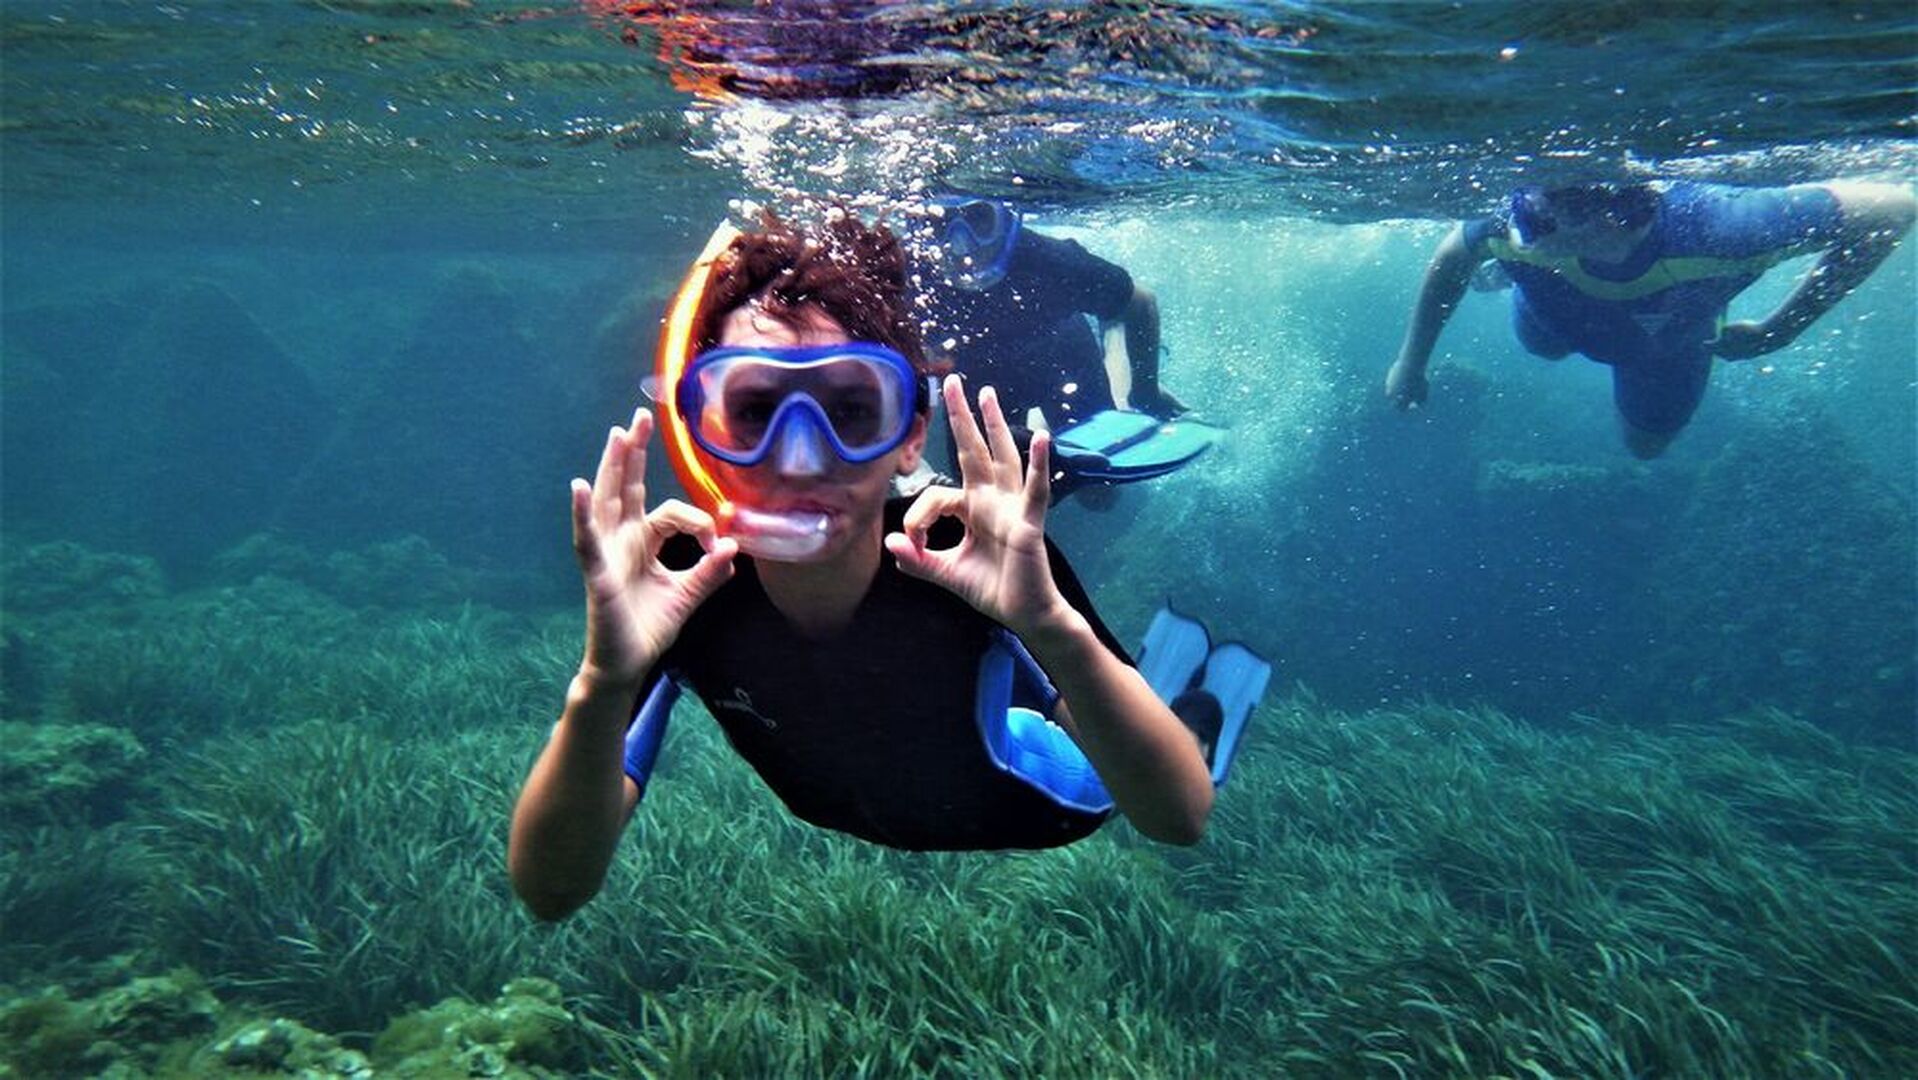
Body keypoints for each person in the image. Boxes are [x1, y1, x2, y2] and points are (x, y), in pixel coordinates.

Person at [508, 211, 1267, 922]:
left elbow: (1177, 816)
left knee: (1166, 743)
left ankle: (1196, 714)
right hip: (853, 804)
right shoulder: (679, 588)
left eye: (848, 410)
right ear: (703, 432)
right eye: (753, 408)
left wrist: (1050, 625)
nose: (799, 459)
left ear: (910, 439)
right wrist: (604, 681)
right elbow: (550, 892)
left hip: (1047, 804)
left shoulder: (963, 557)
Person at [1384, 179, 1914, 458]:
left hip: (1668, 343)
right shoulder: (1519, 223)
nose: (1523, 230)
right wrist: (1411, 360)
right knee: (1539, 340)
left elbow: (1894, 207)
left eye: (1540, 223)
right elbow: (1453, 251)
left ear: (1608, 220)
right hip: (1551, 311)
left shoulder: (1719, 228)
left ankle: (1506, 273)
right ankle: (1502, 275)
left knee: (1645, 447)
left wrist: (1782, 328)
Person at [914, 197, 1212, 497]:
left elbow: (1140, 302)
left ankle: (1112, 366)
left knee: (1099, 495)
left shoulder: (1047, 259)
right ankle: (1041, 429)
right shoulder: (912, 278)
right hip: (980, 384)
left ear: (1006, 220)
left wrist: (1145, 392)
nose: (962, 245)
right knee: (988, 495)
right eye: (939, 224)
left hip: (1066, 362)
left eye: (979, 219)